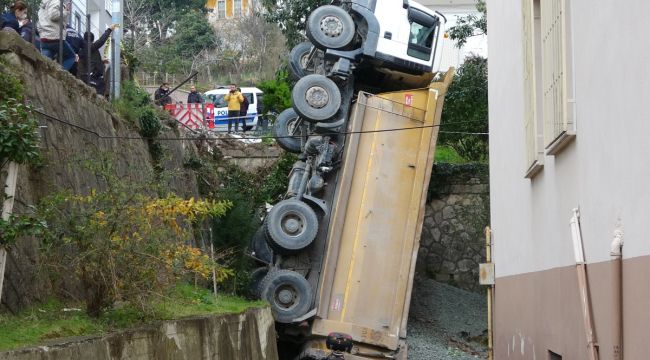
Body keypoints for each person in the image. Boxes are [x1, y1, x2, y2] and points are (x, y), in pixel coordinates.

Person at [37, 0, 76, 71]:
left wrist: (42, 33)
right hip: (55, 37)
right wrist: (66, 11)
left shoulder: (42, 7)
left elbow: (39, 23)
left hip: (44, 38)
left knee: (46, 63)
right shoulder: (56, 1)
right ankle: (61, 74)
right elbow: (53, 15)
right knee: (71, 56)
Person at [78, 25, 115, 95]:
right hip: (92, 76)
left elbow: (90, 60)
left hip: (86, 75)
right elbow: (101, 41)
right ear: (92, 40)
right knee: (98, 93)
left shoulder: (82, 49)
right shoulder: (90, 47)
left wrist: (101, 61)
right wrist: (109, 30)